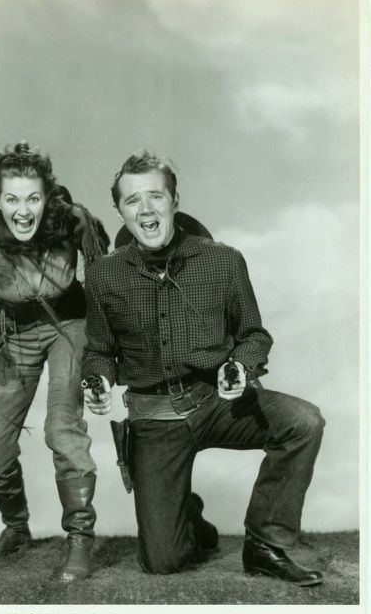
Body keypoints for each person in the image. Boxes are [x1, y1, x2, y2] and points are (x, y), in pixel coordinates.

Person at [82, 150, 325, 586]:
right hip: (155, 420)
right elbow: (99, 350)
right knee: (163, 562)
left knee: (304, 422)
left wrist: (240, 367)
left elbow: (254, 335)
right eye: (132, 200)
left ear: (176, 200)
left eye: (156, 196)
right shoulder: (103, 276)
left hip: (218, 403)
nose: (146, 209)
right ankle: (185, 515)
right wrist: (96, 379)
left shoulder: (224, 261)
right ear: (119, 210)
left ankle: (265, 545)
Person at [0, 142, 109, 582]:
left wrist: (110, 351)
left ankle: (79, 540)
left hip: (69, 325)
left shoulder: (74, 221)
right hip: (12, 334)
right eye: (12, 199)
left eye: (32, 198)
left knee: (62, 430)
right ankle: (16, 528)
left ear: (47, 197)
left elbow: (109, 276)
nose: (22, 211)